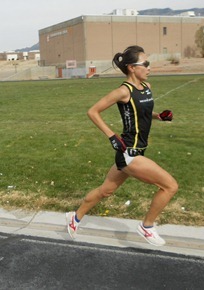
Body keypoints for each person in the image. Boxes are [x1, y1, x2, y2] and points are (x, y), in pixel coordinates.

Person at [66, 45, 178, 246]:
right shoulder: (122, 91)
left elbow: (141, 114)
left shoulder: (146, 87)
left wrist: (159, 116)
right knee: (169, 186)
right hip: (129, 153)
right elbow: (93, 112)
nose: (149, 67)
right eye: (145, 64)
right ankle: (147, 226)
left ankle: (74, 218)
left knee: (105, 191)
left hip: (136, 151)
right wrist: (111, 136)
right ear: (131, 68)